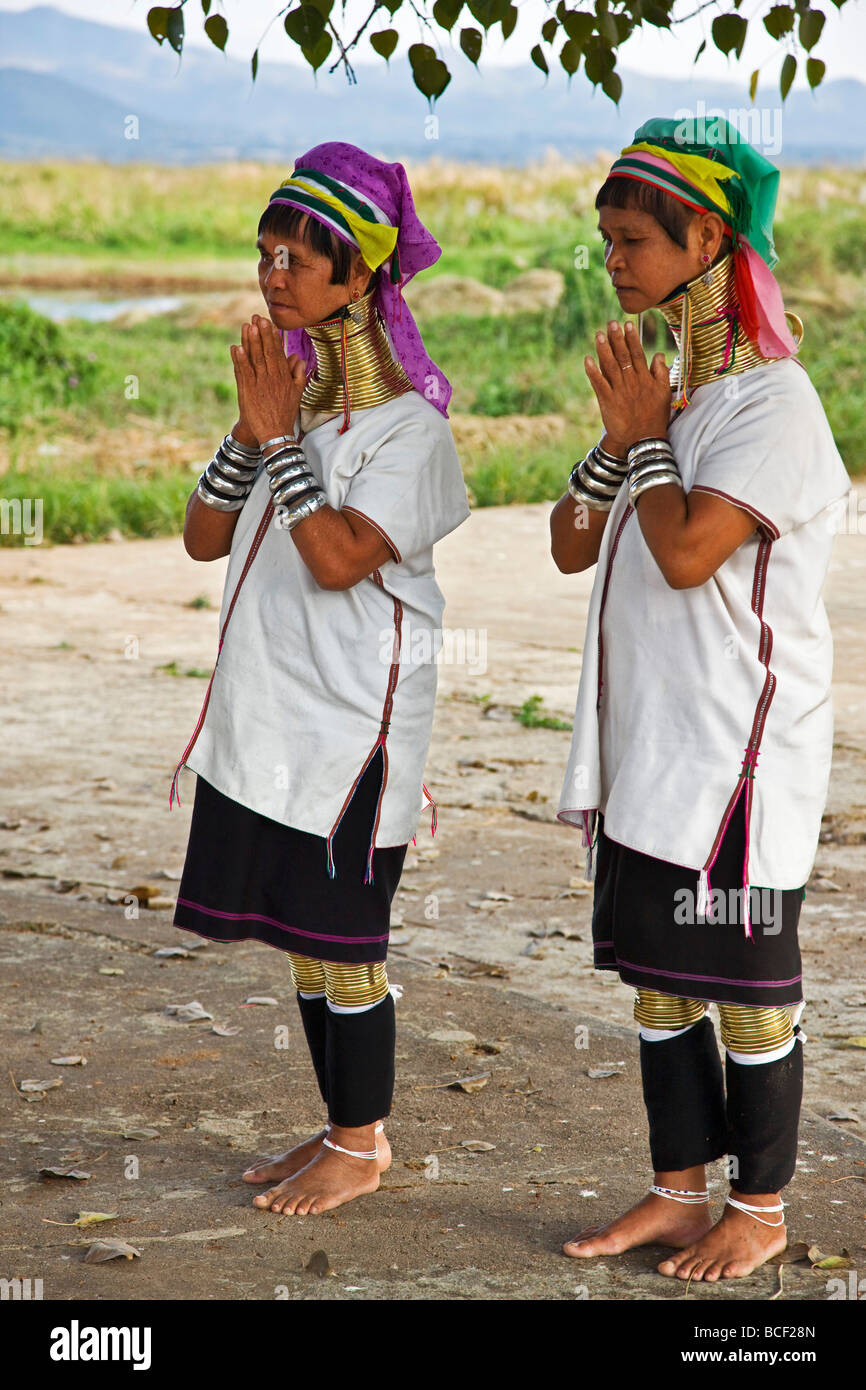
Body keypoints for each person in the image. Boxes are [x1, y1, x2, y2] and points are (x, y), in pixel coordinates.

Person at [550, 117, 851, 1281]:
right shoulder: (676, 399)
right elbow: (575, 543)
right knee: (660, 977)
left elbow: (684, 554)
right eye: (606, 241)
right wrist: (626, 439)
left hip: (736, 754)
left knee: (744, 989)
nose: (613, 263)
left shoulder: (773, 407)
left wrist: (644, 440)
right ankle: (678, 1190)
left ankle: (759, 1209)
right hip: (652, 743)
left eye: (632, 241)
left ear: (709, 240)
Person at [169, 143, 470, 1217]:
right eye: (266, 251)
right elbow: (205, 536)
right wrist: (260, 436)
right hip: (274, 716)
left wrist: (276, 443)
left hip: (352, 730)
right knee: (303, 942)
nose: (275, 271)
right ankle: (343, 1122)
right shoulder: (287, 406)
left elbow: (339, 554)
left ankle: (365, 1140)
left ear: (362, 277)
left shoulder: (410, 431)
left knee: (347, 945)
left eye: (301, 255)